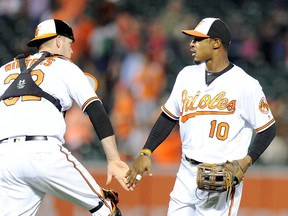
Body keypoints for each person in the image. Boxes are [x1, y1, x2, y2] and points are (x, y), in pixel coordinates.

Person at [126, 17, 276, 215]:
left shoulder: (246, 84)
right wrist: (146, 151)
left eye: (198, 39)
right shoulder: (186, 75)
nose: (191, 44)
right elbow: (168, 116)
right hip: (186, 171)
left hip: (221, 177)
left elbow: (268, 129)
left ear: (216, 43)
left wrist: (247, 161)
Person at [0, 18, 132, 216]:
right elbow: (96, 110)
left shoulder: (4, 70)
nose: (71, 51)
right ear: (59, 41)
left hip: (5, 159)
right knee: (107, 209)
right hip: (43, 153)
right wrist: (113, 159)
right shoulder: (64, 65)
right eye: (70, 44)